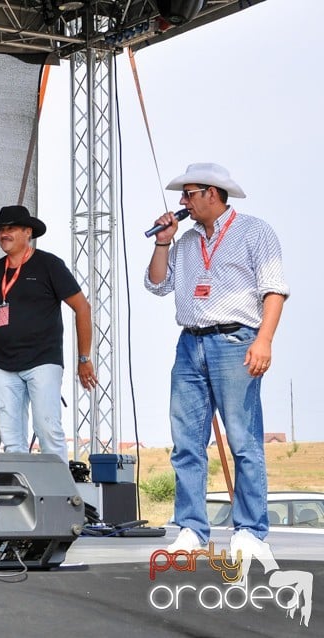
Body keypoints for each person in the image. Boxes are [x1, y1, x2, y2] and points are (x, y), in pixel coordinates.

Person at [145, 163, 288, 557]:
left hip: (235, 340)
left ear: (213, 193)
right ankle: (192, 527)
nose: (182, 202)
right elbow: (157, 284)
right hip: (190, 344)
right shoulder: (186, 241)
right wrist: (163, 242)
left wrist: (264, 341)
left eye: (189, 194)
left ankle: (250, 528)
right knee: (187, 443)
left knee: (243, 439)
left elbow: (274, 290)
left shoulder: (254, 231)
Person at [0, 205, 96, 460]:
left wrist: (84, 358)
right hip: (3, 364)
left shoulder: (48, 265)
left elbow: (82, 308)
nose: (4, 234)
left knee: (48, 430)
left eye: (11, 228)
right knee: (12, 439)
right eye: (1, 229)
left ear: (28, 232)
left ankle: (59, 495)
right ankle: (20, 497)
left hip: (43, 361)